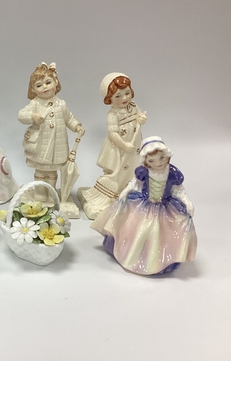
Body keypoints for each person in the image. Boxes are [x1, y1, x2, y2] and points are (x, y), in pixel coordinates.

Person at [91, 136, 197, 275]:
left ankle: (162, 260)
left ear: (167, 156)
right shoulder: (144, 172)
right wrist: (125, 192)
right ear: (146, 161)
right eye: (152, 160)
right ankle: (132, 255)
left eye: (161, 158)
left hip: (164, 206)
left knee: (166, 229)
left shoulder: (172, 173)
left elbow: (178, 191)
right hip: (144, 204)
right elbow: (135, 184)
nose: (158, 163)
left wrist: (187, 203)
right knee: (135, 226)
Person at [78, 72, 147, 219]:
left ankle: (128, 192)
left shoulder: (133, 105)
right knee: (118, 169)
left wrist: (141, 119)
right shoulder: (112, 115)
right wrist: (124, 145)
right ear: (109, 98)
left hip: (134, 145)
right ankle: (111, 195)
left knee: (133, 167)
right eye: (118, 96)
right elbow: (112, 134)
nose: (124, 98)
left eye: (127, 93)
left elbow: (140, 116)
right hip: (119, 147)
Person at [18, 62, 85, 213]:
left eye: (48, 82)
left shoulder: (61, 104)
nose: (45, 87)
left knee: (52, 171)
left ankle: (51, 191)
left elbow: (69, 118)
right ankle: (40, 193)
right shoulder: (35, 103)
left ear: (55, 82)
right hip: (41, 144)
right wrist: (32, 116)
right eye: (39, 85)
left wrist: (76, 126)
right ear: (33, 89)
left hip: (57, 145)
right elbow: (21, 115)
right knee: (41, 170)